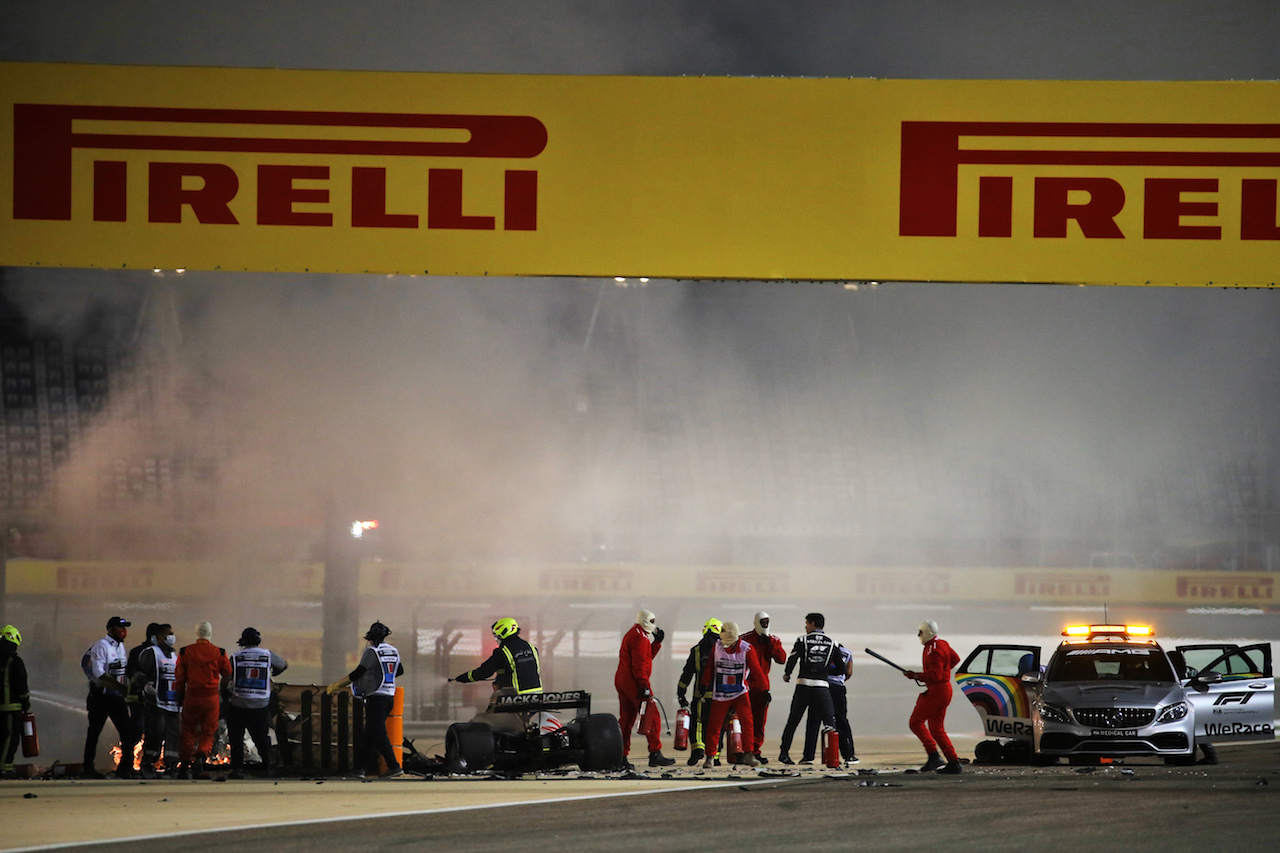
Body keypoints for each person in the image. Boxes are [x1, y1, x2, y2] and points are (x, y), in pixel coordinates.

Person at [326, 621, 404, 779]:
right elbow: (400, 670)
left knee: (379, 733)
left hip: (376, 697)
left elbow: (357, 673)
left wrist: (337, 684)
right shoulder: (393, 651)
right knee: (370, 734)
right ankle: (359, 769)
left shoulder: (371, 652)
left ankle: (394, 767)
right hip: (389, 696)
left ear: (371, 637)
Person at [451, 617, 542, 734]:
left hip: (514, 700)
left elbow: (484, 672)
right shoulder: (532, 648)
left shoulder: (502, 652)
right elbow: (523, 670)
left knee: (490, 724)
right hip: (537, 699)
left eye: (497, 636)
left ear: (504, 632)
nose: (497, 639)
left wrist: (463, 678)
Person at [698, 621, 764, 768]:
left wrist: (764, 689)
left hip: (740, 693)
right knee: (714, 726)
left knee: (747, 723)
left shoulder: (746, 649)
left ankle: (749, 754)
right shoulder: (717, 647)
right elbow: (709, 667)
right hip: (720, 694)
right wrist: (704, 684)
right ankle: (709, 757)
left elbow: (757, 671)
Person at [614, 610, 675, 768]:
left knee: (626, 720)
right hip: (634, 681)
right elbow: (640, 664)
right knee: (652, 716)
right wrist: (644, 685)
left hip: (623, 679)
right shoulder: (640, 638)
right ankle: (655, 753)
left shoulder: (634, 633)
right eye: (652, 621)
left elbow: (644, 658)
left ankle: (620, 756)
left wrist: (656, 644)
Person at [777, 612, 840, 765]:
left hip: (803, 685)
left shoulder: (802, 640)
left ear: (813, 623)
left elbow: (792, 659)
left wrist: (787, 674)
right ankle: (829, 758)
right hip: (821, 687)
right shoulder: (833, 643)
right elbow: (842, 668)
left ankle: (784, 753)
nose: (805, 626)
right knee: (829, 723)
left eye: (807, 623)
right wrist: (824, 671)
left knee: (793, 721)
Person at [81, 616, 139, 778]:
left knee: (127, 733)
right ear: (110, 629)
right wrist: (121, 688)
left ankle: (125, 767)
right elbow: (98, 673)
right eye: (120, 627)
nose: (123, 631)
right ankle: (88, 768)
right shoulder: (101, 646)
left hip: (117, 699)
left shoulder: (120, 647)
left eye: (125, 627)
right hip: (100, 698)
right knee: (94, 733)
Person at [226, 627, 288, 779]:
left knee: (236, 738)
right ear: (258, 641)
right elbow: (284, 665)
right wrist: (274, 672)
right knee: (261, 736)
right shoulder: (267, 655)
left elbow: (226, 678)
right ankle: (269, 767)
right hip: (260, 704)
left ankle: (238, 769)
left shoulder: (235, 657)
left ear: (242, 642)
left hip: (238, 704)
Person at [903, 619, 962, 774]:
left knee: (916, 722)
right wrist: (944, 672)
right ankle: (953, 761)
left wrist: (916, 676)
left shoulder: (933, 650)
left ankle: (934, 755)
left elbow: (935, 676)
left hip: (937, 691)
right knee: (936, 728)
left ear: (927, 633)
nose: (918, 635)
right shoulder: (942, 644)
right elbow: (955, 659)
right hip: (944, 690)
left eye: (920, 632)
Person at [174, 621, 232, 779]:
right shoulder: (219, 652)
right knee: (208, 731)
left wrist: (179, 695)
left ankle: (184, 765)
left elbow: (179, 677)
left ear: (196, 633)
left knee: (187, 730)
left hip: (191, 696)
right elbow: (227, 672)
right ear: (210, 634)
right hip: (211, 697)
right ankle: (201, 756)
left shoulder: (185, 652)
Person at [135, 624, 181, 778]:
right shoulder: (151, 653)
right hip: (156, 703)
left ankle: (171, 766)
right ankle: (147, 763)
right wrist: (145, 685)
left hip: (173, 704)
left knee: (173, 736)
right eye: (169, 634)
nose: (172, 637)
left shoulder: (175, 656)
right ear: (160, 636)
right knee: (155, 733)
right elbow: (138, 672)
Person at [676, 617, 721, 765]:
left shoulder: (696, 651)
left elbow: (687, 673)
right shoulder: (723, 650)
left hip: (699, 697)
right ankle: (715, 756)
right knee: (716, 726)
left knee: (697, 723)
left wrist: (681, 692)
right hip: (719, 698)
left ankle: (697, 750)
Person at [742, 611, 786, 765]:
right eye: (763, 622)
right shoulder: (745, 639)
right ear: (756, 622)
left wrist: (769, 644)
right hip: (744, 686)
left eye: (767, 622)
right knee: (745, 720)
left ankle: (755, 750)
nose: (765, 625)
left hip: (762, 687)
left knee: (760, 722)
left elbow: (782, 659)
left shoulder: (773, 640)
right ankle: (743, 750)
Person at [807, 641, 857, 765]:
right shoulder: (847, 652)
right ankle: (849, 755)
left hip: (821, 686)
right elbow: (848, 673)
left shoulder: (822, 650)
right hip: (838, 688)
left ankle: (808, 756)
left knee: (814, 719)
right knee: (841, 720)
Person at [123, 622, 161, 772]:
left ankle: (146, 763)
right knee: (137, 731)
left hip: (154, 701)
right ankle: (126, 765)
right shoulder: (140, 652)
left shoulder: (160, 652)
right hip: (138, 699)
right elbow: (131, 673)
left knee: (153, 732)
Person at [1, 625, 30, 779]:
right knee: (10, 738)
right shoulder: (15, 661)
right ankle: (5, 768)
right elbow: (21, 685)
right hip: (12, 708)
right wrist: (25, 702)